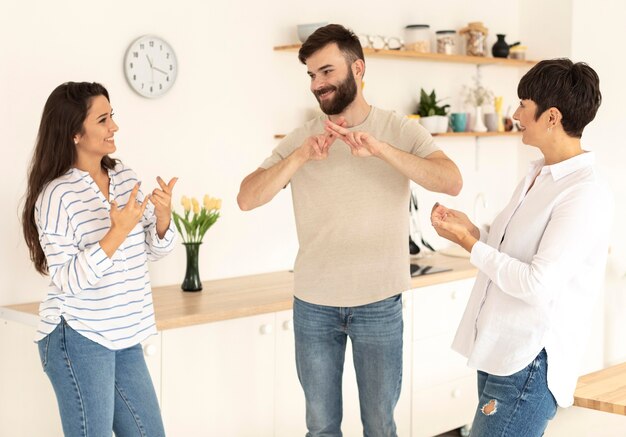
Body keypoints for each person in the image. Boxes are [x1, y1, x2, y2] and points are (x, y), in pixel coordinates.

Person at [238, 24, 462, 436]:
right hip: (313, 304)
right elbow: (247, 197)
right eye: (311, 75)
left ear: (358, 68)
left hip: (379, 301)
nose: (317, 84)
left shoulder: (398, 130)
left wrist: (380, 150)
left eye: (326, 71)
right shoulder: (303, 138)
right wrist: (300, 157)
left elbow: (450, 181)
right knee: (321, 427)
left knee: (379, 426)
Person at [430, 59, 612, 437]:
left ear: (552, 117)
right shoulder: (537, 174)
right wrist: (474, 233)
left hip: (528, 360)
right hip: (501, 349)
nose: (515, 114)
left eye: (523, 105)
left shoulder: (582, 194)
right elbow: (513, 250)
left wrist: (469, 245)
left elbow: (536, 283)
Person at [22, 82, 177, 437]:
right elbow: (66, 279)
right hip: (78, 334)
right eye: (103, 119)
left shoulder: (124, 175)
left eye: (113, 116)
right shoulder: (57, 194)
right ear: (75, 133)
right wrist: (116, 233)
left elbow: (154, 250)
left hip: (125, 331)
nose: (114, 127)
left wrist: (164, 217)